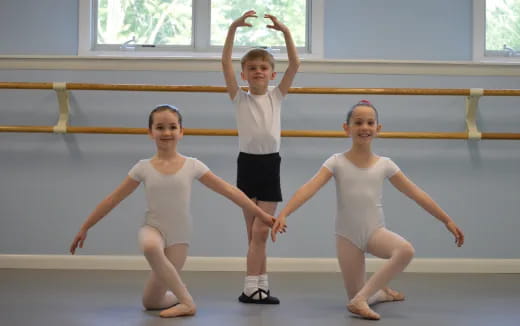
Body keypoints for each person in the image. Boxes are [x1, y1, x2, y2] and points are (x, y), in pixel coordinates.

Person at [69, 104, 275, 318]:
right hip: (153, 228)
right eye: (160, 127)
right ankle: (187, 302)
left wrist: (262, 215)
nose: (166, 132)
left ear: (181, 131)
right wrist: (85, 227)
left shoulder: (192, 165)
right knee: (149, 246)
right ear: (150, 133)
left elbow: (230, 191)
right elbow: (112, 199)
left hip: (179, 238)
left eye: (172, 127)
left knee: (150, 302)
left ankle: (176, 290)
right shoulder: (143, 167)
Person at [271, 100, 465, 320]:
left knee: (405, 250)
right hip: (347, 237)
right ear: (347, 128)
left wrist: (446, 220)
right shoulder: (336, 162)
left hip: (375, 233)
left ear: (378, 129)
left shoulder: (385, 164)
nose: (365, 127)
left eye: (370, 123)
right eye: (358, 122)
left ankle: (362, 299)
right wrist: (285, 213)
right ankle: (377, 294)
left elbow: (415, 193)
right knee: (355, 294)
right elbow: (309, 188)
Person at [221, 10, 300, 304]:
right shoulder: (239, 97)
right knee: (252, 234)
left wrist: (285, 32)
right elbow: (224, 63)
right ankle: (256, 288)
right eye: (251, 68)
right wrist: (232, 29)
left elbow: (296, 63)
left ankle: (254, 288)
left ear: (271, 73)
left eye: (263, 68)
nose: (257, 71)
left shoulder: (276, 96)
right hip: (247, 164)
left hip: (270, 165)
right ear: (244, 74)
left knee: (261, 233)